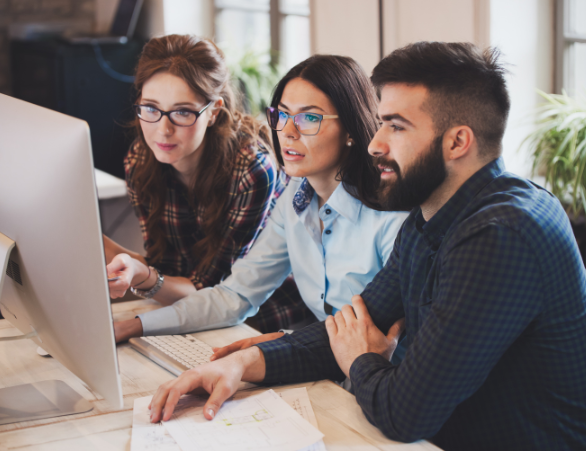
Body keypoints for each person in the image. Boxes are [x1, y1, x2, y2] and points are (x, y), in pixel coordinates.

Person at [147, 42, 586, 451]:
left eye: (396, 126)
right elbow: (349, 326)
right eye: (381, 123)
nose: (375, 144)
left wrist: (360, 359)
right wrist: (241, 364)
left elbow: (405, 413)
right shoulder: (431, 211)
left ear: (457, 142)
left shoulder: (501, 235)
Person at [112, 54, 408, 345]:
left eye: (309, 118)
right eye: (282, 115)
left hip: (378, 378)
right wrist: (134, 327)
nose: (288, 132)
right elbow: (236, 295)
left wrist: (264, 353)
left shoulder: (392, 216)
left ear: (350, 130)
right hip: (330, 364)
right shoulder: (296, 196)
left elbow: (370, 335)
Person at [104, 35, 301, 333]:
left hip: (261, 318)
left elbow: (213, 295)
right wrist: (101, 247)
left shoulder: (251, 170)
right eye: (151, 108)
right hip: (186, 311)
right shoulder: (140, 160)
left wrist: (141, 274)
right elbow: (168, 273)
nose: (163, 130)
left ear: (213, 112)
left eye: (183, 112)